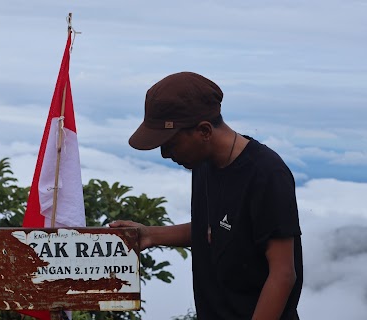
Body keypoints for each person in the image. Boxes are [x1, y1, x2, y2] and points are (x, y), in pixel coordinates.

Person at [110, 71, 302, 319]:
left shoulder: (267, 174)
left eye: (170, 143)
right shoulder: (204, 163)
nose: (165, 154)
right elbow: (220, 229)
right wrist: (150, 234)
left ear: (204, 131)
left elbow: (283, 274)